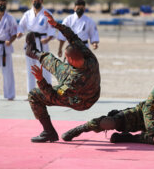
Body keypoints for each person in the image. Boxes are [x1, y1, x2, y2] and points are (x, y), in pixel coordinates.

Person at [61, 80, 154, 148]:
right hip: (140, 115)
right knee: (108, 122)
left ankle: (127, 138)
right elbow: (148, 111)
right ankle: (80, 129)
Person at [27, 11, 101, 143]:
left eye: (67, 59)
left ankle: (48, 132)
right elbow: (73, 37)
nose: (65, 60)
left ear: (71, 60)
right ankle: (34, 52)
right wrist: (56, 25)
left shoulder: (72, 81)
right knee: (56, 64)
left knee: (34, 94)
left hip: (80, 101)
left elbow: (53, 96)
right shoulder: (90, 58)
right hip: (92, 91)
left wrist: (41, 79)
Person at [17, 0, 56, 93]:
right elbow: (21, 26)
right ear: (31, 1)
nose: (36, 3)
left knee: (44, 68)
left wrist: (48, 39)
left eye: (38, 1)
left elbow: (52, 29)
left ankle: (47, 93)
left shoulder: (47, 14)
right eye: (34, 1)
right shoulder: (27, 14)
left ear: (42, 1)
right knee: (31, 69)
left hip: (42, 42)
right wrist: (20, 32)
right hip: (30, 42)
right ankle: (31, 93)